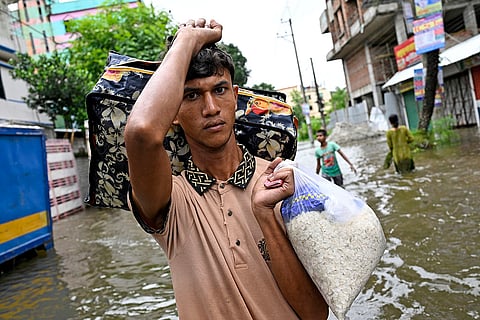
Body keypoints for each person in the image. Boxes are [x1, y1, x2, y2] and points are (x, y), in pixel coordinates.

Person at [124, 18, 328, 319]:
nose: (210, 108)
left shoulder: (281, 183)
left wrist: (266, 218)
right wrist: (186, 39)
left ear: (234, 96)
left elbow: (316, 314)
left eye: (219, 90)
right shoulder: (171, 200)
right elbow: (142, 132)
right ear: (173, 113)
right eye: (191, 95)